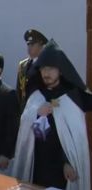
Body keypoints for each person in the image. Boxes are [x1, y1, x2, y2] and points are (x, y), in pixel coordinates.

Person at [12, 39, 92, 189]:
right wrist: (36, 113)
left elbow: (72, 139)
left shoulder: (71, 98)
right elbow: (26, 128)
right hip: (36, 165)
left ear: (60, 70)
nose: (46, 73)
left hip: (62, 170)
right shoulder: (36, 97)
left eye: (50, 69)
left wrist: (67, 162)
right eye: (43, 69)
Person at [16, 29, 48, 111]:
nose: (29, 48)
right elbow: (19, 93)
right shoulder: (23, 65)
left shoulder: (48, 65)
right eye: (28, 44)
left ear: (41, 45)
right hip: (26, 111)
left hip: (43, 111)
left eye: (32, 44)